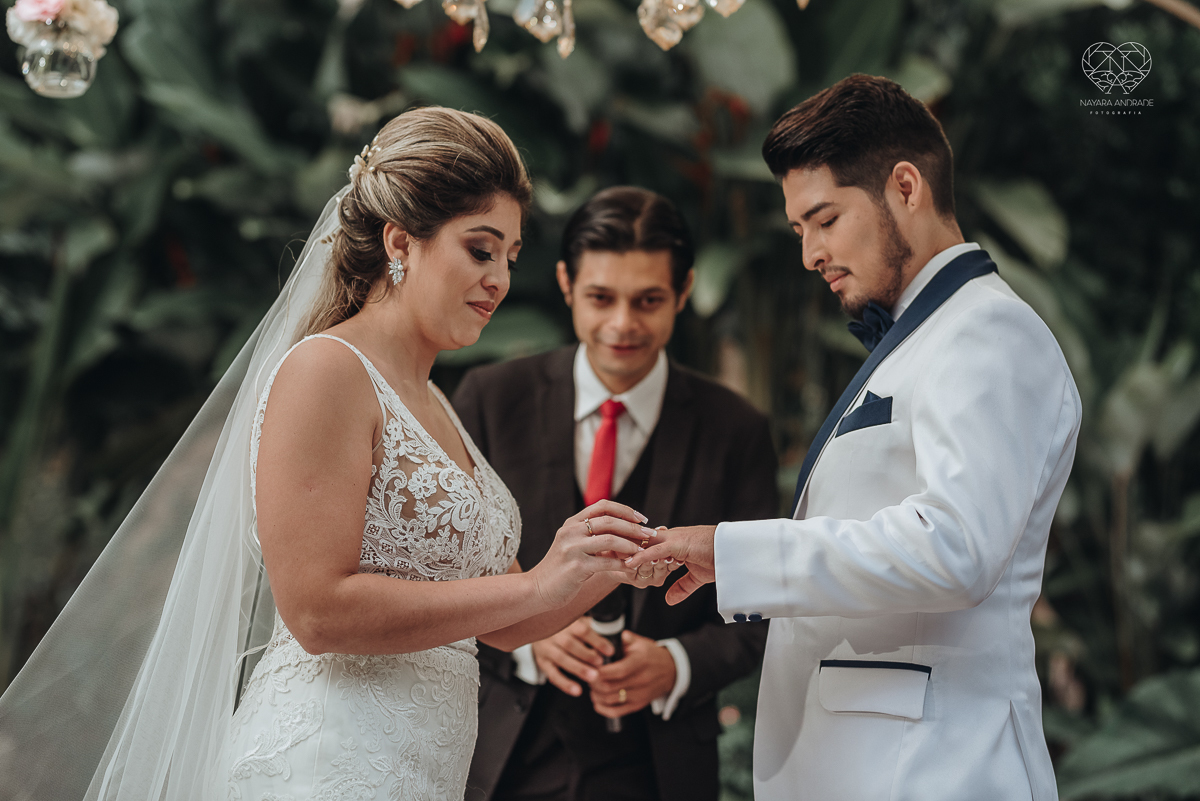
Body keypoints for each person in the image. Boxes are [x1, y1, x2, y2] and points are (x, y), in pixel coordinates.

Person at [0, 108, 668, 801]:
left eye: (510, 257)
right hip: (326, 764)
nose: (499, 278)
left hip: (421, 774)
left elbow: (501, 621)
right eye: (480, 249)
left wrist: (600, 564)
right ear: (400, 242)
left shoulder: (437, 403)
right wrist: (533, 584)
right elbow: (316, 610)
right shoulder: (327, 371)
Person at [628, 75, 1082, 801]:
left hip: (931, 771)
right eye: (799, 229)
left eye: (825, 218)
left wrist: (731, 550)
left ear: (906, 187)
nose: (810, 253)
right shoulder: (925, 336)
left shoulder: (987, 331)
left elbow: (956, 547)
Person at [454, 186, 775, 801]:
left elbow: (761, 606)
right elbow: (443, 578)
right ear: (566, 284)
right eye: (601, 297)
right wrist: (526, 638)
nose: (622, 324)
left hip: (660, 768)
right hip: (504, 760)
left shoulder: (736, 428)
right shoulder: (490, 400)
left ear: (683, 294)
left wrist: (676, 664)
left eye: (648, 300)